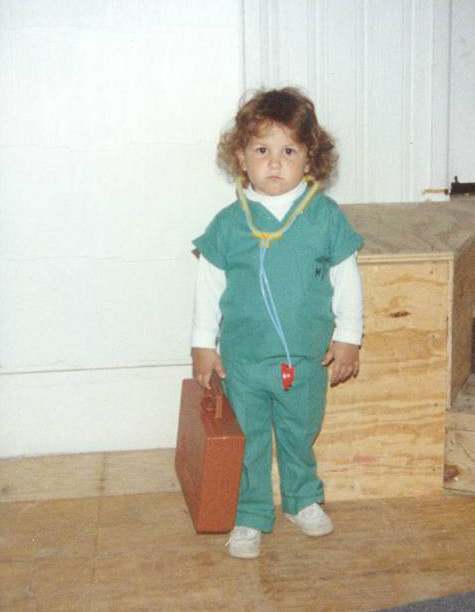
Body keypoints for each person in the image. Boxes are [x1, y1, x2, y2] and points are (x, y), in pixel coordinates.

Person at [191, 88, 364, 559]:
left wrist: (349, 337)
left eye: (288, 150)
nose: (274, 162)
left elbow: (346, 278)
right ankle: (249, 512)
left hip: (305, 361)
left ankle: (301, 497)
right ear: (241, 157)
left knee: (299, 431)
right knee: (248, 440)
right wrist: (203, 345)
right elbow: (208, 285)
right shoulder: (229, 223)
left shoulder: (324, 217)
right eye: (262, 150)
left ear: (310, 158)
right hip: (243, 362)